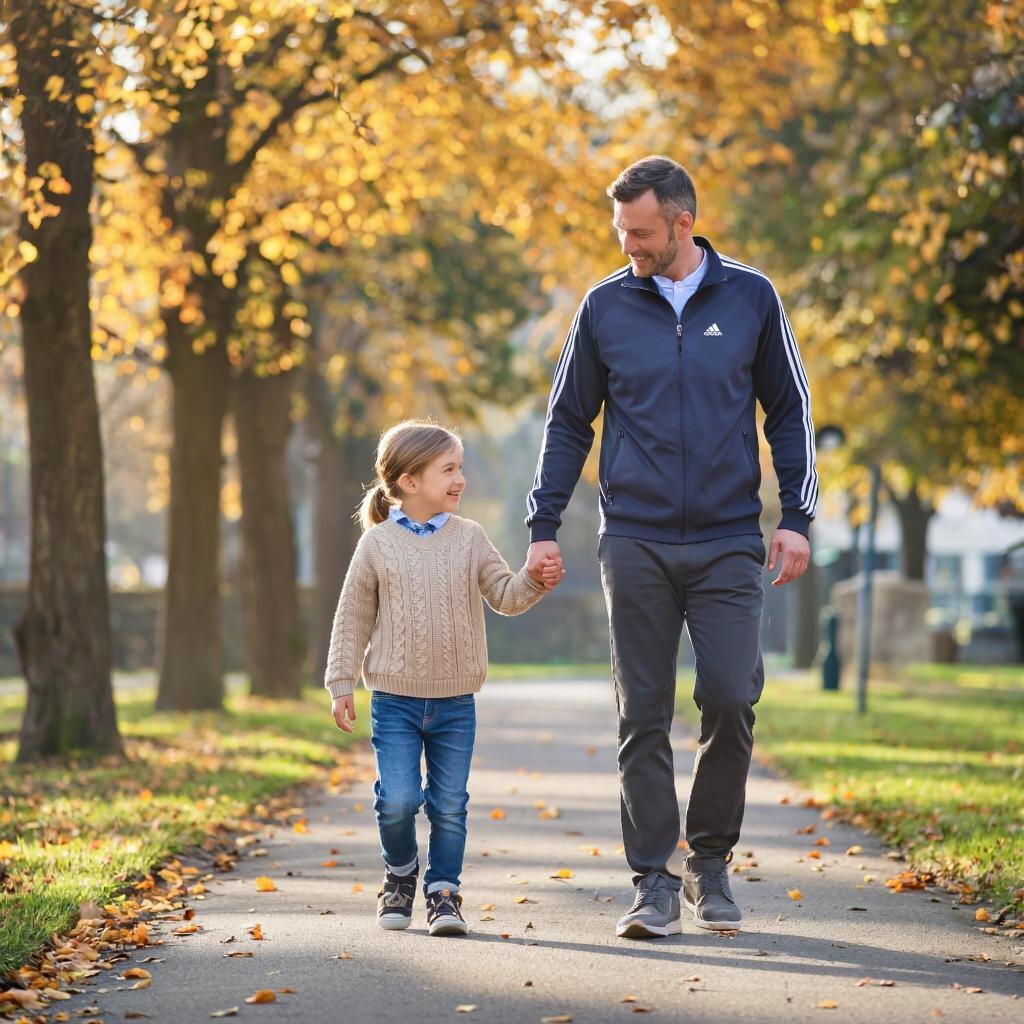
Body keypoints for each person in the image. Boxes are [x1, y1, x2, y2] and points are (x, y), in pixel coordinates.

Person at [525, 156, 817, 938]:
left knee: (729, 695)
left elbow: (789, 412)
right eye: (622, 232)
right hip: (636, 539)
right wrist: (543, 525)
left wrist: (797, 515)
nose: (630, 247)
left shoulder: (750, 296)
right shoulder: (604, 306)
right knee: (642, 713)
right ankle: (652, 881)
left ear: (683, 221)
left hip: (727, 539)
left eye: (642, 232)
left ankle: (710, 863)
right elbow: (567, 422)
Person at [326, 419, 562, 936]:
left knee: (450, 805)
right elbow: (352, 617)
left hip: (456, 701)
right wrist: (341, 682)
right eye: (448, 469)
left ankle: (443, 893)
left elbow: (504, 594)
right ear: (410, 481)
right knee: (399, 801)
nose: (460, 479)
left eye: (461, 468)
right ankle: (401, 873)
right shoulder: (377, 545)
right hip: (394, 700)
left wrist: (534, 581)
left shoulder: (470, 538)